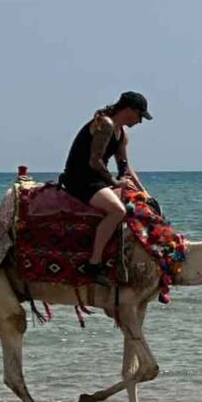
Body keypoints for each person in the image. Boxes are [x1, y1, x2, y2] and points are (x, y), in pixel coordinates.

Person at [58, 91, 151, 284]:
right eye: (140, 116)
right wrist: (115, 183)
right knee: (117, 211)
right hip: (80, 179)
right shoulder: (106, 124)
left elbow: (125, 166)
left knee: (135, 200)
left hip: (97, 179)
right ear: (129, 110)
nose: (140, 121)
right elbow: (94, 161)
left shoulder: (122, 133)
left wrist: (144, 192)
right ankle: (94, 264)